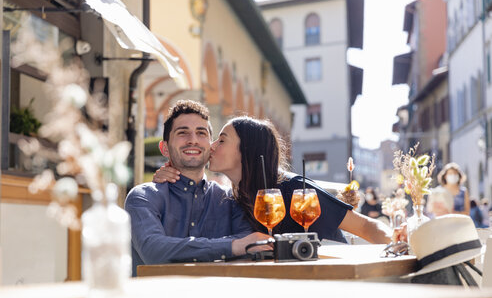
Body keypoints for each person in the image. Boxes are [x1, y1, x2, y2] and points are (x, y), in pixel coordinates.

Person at [154, 116, 394, 244]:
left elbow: (367, 227)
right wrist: (170, 176)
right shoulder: (230, 198)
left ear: (246, 150)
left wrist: (397, 255)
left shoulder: (293, 190)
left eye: (222, 139)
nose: (212, 146)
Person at [125, 101, 270, 276]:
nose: (192, 140)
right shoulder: (142, 197)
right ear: (164, 148)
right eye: (182, 133)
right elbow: (154, 250)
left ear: (211, 147)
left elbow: (250, 245)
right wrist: (232, 246)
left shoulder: (231, 200)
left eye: (201, 133)